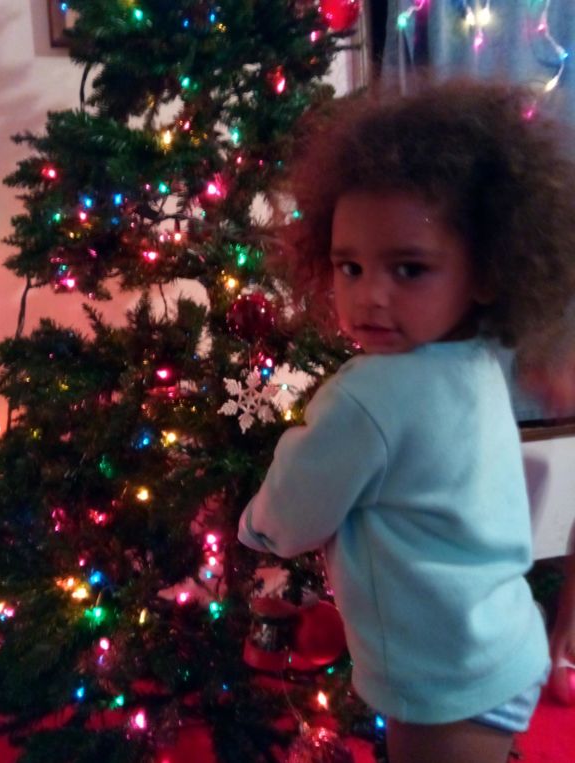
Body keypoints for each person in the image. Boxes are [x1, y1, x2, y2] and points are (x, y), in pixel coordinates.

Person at [238, 80, 575, 763]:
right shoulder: (476, 357)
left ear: (485, 271)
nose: (370, 295)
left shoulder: (371, 394)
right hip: (503, 642)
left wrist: (255, 527)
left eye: (409, 269)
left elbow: (293, 512)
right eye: (350, 266)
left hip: (443, 678)